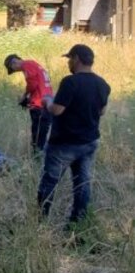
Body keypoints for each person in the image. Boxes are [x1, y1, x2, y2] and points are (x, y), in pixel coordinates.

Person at [38, 44, 110, 226]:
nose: (68, 62)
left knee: (50, 181)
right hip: (89, 142)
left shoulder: (70, 82)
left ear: (77, 58)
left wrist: (47, 101)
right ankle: (77, 223)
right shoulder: (103, 84)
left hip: (64, 143)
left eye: (70, 58)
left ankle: (39, 221)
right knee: (82, 183)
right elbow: (102, 112)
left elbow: (57, 110)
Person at [4, 54, 54, 152]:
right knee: (43, 130)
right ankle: (41, 152)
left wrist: (25, 96)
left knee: (37, 132)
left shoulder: (27, 65)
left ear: (14, 63)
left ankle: (37, 154)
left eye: (13, 69)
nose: (16, 71)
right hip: (47, 101)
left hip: (38, 103)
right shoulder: (34, 64)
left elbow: (32, 84)